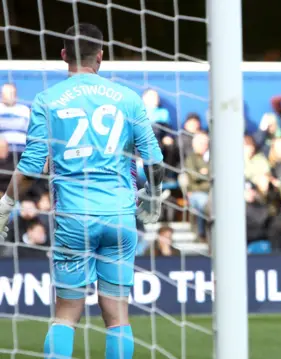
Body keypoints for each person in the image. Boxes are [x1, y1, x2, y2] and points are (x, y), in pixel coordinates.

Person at [0, 23, 164, 359]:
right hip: (119, 216)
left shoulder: (47, 100)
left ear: (63, 55)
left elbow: (31, 167)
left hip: (75, 216)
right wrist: (155, 194)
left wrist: (5, 204)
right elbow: (155, 159)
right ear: (101, 55)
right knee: (117, 316)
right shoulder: (129, 98)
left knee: (66, 314)